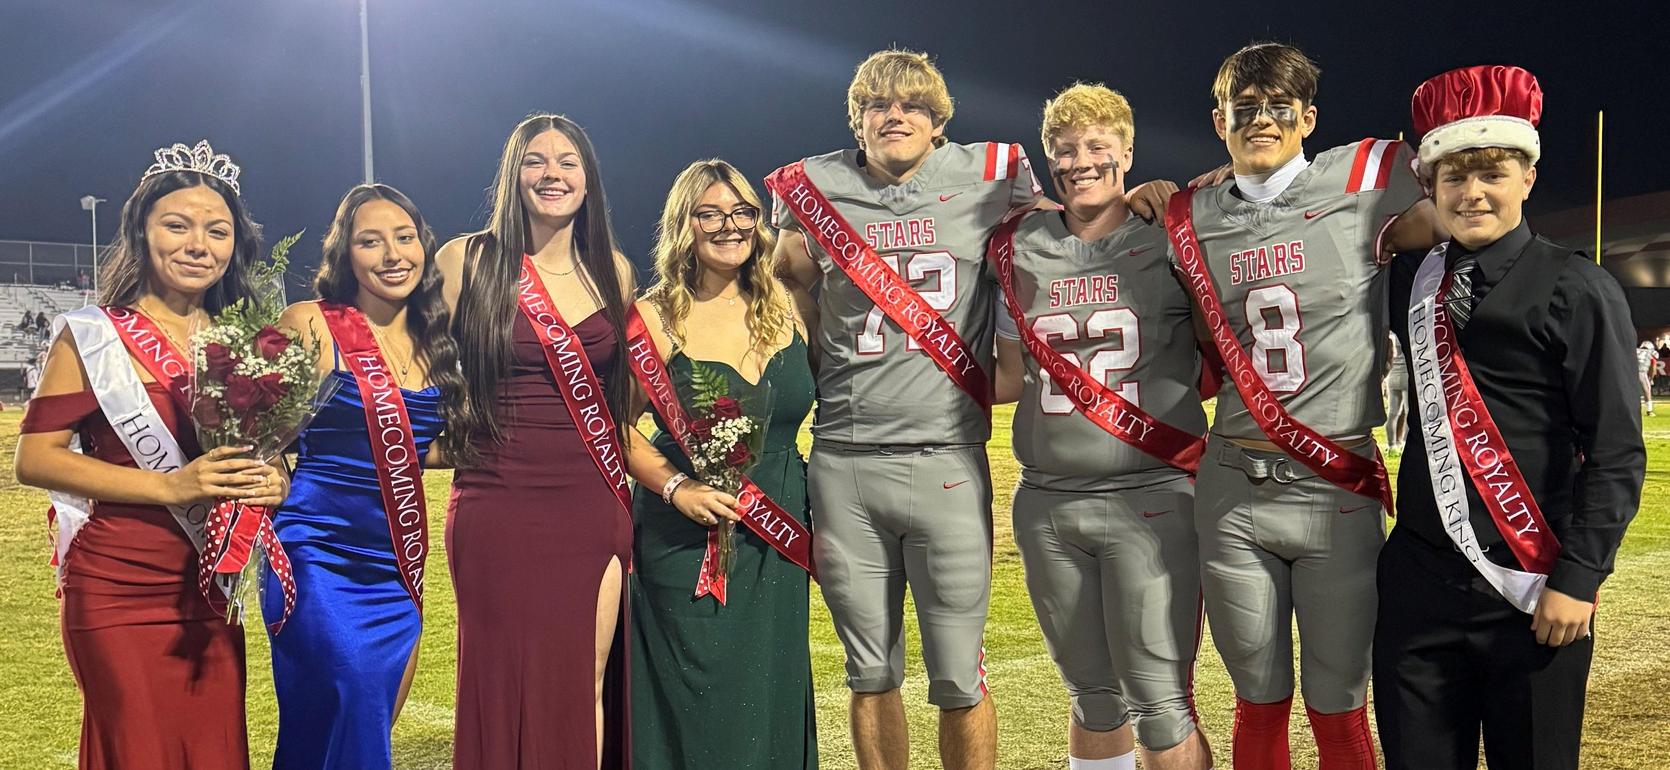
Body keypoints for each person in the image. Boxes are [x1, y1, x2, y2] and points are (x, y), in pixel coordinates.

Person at [1163, 42, 1438, 769]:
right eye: (1244, 108)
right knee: (1256, 700)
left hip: (1333, 484)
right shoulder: (1190, 212)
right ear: (1218, 118)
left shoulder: (1364, 177)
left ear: (1308, 116)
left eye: (1279, 107)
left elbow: (1455, 203)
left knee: (1338, 703)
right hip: (1231, 487)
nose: (1262, 120)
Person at [765, 48, 1040, 770]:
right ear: (856, 120)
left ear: (938, 121)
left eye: (912, 104)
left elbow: (1069, 228)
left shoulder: (992, 173)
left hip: (946, 455)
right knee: (870, 671)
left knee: (957, 674)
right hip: (844, 461)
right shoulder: (811, 186)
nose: (895, 116)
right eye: (877, 106)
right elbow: (786, 290)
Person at [1378, 64, 1646, 770]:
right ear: (1430, 185)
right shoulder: (1415, 275)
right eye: (1453, 176)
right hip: (1418, 590)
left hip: (1532, 593)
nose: (1472, 193)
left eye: (1492, 172)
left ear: (1527, 176)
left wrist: (1579, 578)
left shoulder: (1579, 287)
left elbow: (1616, 451)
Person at [12, 140, 286, 769]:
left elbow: (261, 452)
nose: (198, 245)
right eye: (177, 225)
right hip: (116, 587)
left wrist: (272, 479)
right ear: (142, 231)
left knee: (211, 751)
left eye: (217, 231)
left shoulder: (247, 341)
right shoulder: (94, 335)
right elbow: (36, 459)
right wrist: (172, 487)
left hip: (208, 588)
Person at [991, 83, 1213, 770]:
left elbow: (1226, 351)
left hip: (1151, 494)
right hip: (1049, 502)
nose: (1080, 160)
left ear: (1127, 150)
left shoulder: (1172, 231)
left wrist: (1188, 190)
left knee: (1159, 700)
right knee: (1091, 696)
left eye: (1096, 145)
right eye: (1065, 149)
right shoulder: (1019, 244)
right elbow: (1002, 376)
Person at [436, 113, 637, 770]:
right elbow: (413, 371)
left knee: (584, 682)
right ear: (512, 175)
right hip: (495, 498)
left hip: (590, 499)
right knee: (497, 685)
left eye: (568, 161)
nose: (553, 174)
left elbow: (625, 403)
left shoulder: (615, 271)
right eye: (536, 161)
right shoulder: (467, 260)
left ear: (589, 178)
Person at [262, 184, 465, 769]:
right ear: (344, 254)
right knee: (350, 687)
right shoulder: (308, 323)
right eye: (370, 242)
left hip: (395, 559)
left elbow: (420, 448)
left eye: (405, 238)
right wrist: (266, 476)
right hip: (314, 550)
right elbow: (247, 423)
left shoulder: (437, 338)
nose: (393, 254)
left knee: (367, 707)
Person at [626, 159, 820, 769]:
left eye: (741, 213)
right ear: (684, 225)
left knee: (769, 690)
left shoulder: (790, 306)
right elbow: (611, 424)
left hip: (778, 534)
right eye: (710, 214)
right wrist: (676, 485)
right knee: (697, 698)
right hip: (685, 538)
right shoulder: (652, 317)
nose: (729, 226)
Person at [1385, 333, 1409, 450]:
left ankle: (1392, 445)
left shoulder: (1391, 336)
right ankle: (1404, 442)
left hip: (1392, 376)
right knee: (1408, 412)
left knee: (1393, 413)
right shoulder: (1407, 334)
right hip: (1405, 375)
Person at [1638, 341, 1658, 416]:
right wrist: (1650, 379)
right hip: (1642, 372)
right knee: (1647, 390)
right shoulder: (1653, 353)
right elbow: (1653, 369)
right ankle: (1649, 411)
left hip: (1630, 371)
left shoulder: (1635, 351)